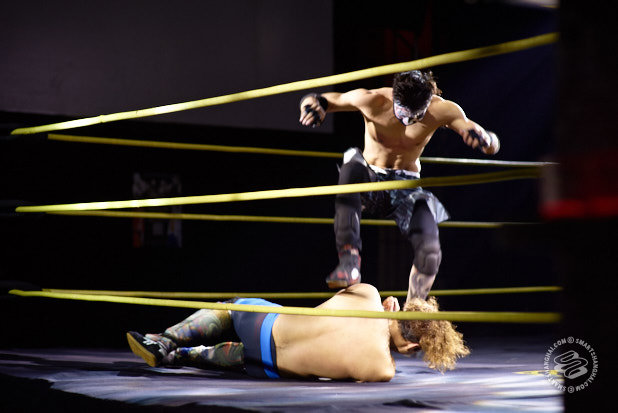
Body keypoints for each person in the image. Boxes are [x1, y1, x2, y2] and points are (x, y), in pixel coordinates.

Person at [298, 70, 500, 299]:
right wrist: (313, 106)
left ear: (427, 104)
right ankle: (349, 263)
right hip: (370, 180)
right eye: (403, 114)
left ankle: (414, 308)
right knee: (351, 164)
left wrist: (485, 139)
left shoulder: (442, 109)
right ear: (394, 97)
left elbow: (491, 144)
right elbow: (322, 99)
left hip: (406, 188)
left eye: (415, 117)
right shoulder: (373, 100)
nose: (407, 122)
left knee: (430, 251)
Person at [127, 283, 469, 382]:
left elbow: (340, 293)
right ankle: (178, 357)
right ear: (412, 347)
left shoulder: (368, 294)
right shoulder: (382, 370)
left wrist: (383, 307)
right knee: (238, 356)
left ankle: (165, 341)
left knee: (232, 307)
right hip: (270, 369)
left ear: (396, 307)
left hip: (265, 324)